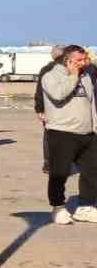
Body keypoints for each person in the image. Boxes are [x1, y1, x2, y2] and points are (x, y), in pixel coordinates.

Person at [42, 46, 97, 224]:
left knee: (92, 170)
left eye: (84, 59)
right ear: (68, 60)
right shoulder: (50, 76)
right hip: (62, 132)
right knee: (60, 172)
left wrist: (94, 126)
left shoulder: (86, 77)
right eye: (79, 60)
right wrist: (73, 76)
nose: (83, 63)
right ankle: (58, 207)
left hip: (87, 133)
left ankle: (86, 207)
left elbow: (91, 104)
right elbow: (59, 95)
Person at [35, 45, 67, 173]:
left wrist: (39, 109)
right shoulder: (68, 69)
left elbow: (39, 91)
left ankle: (48, 163)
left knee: (49, 136)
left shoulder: (45, 69)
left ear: (52, 55)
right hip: (65, 108)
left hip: (49, 109)